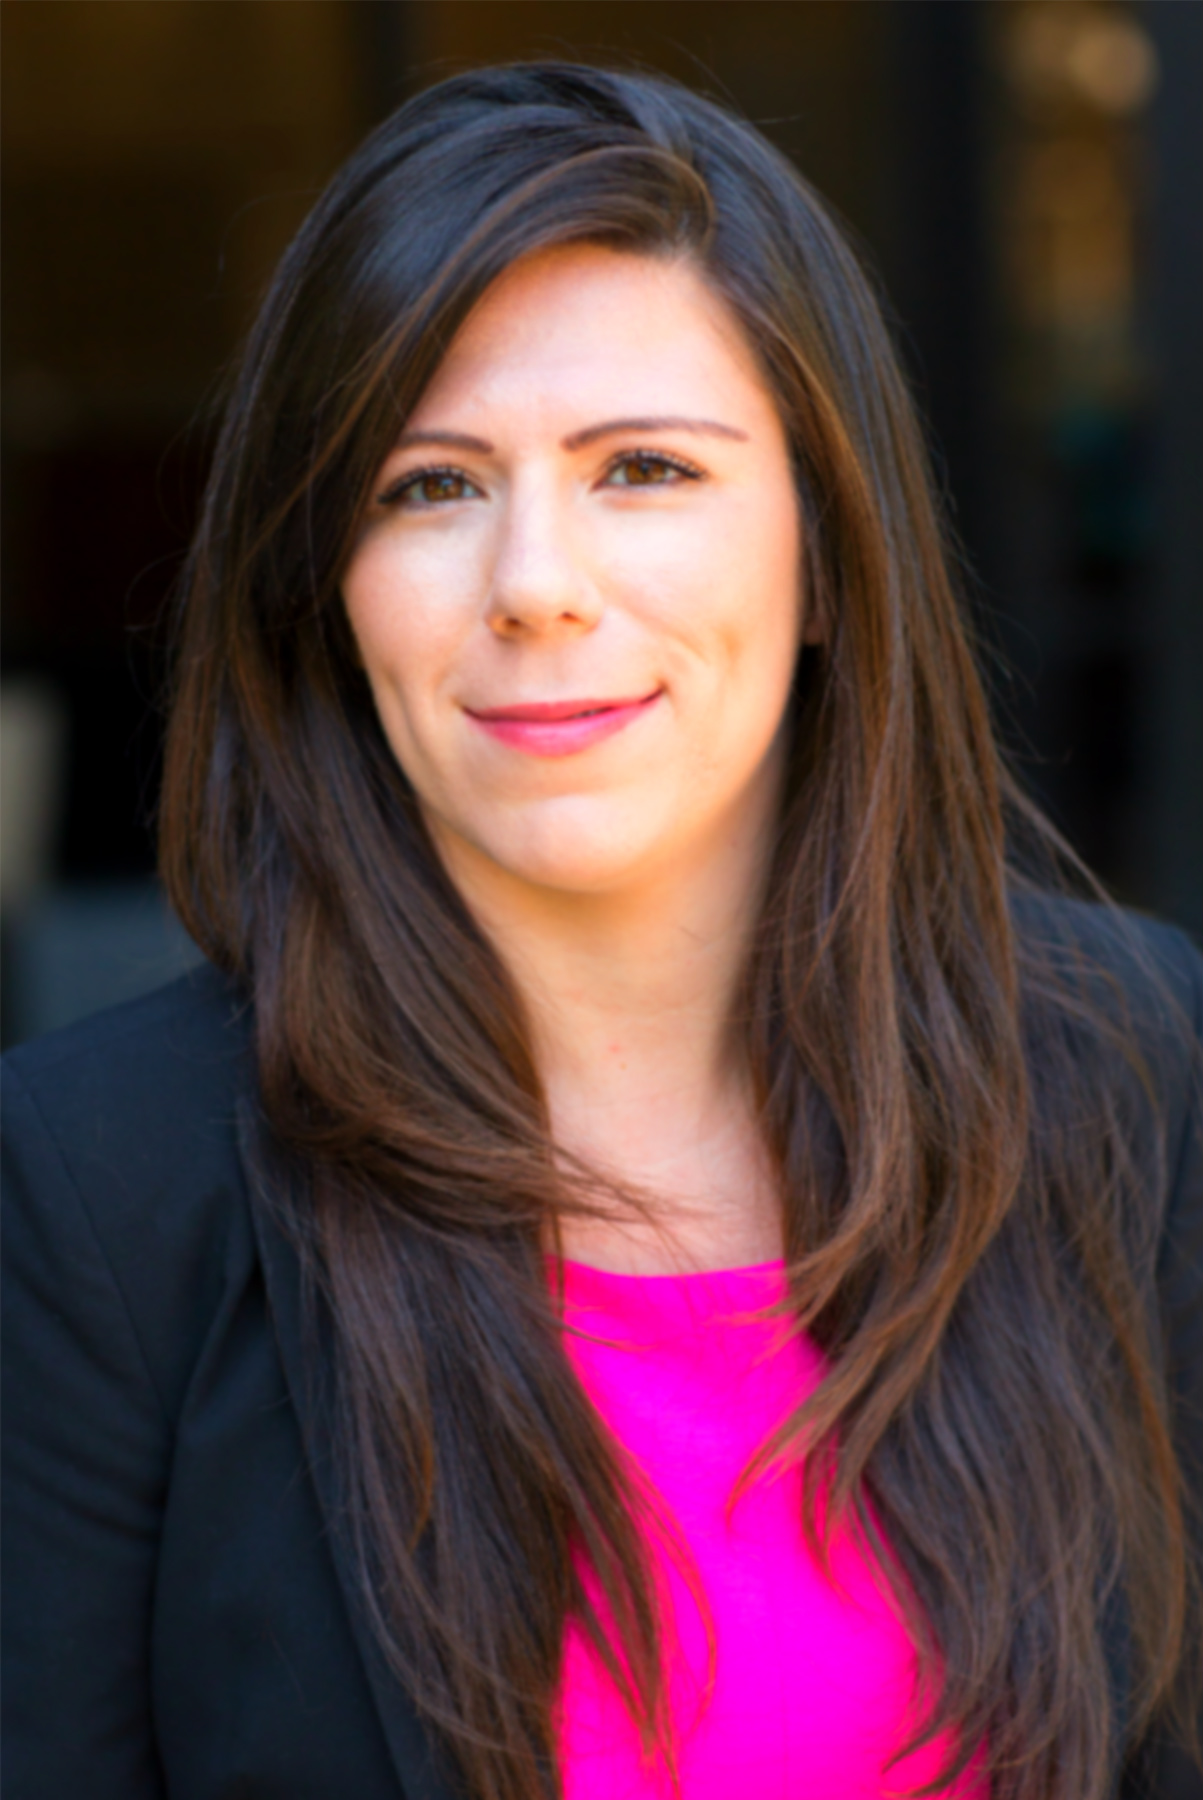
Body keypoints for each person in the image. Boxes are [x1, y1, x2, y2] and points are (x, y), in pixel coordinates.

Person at [2, 62, 1200, 1800]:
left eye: (643, 468)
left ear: (826, 546)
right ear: (325, 589)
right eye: (430, 486)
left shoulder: (1134, 1069)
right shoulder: (96, 1191)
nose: (534, 580)